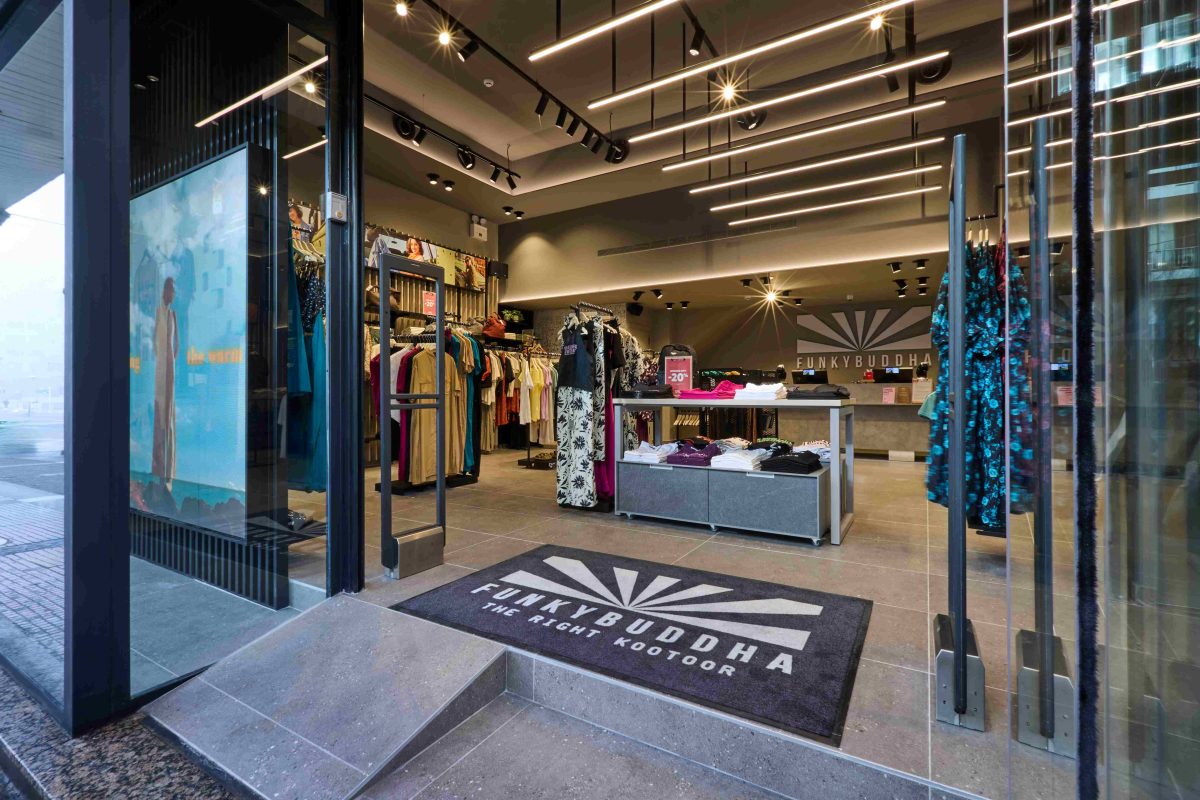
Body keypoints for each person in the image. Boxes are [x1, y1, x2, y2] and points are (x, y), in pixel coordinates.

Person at [151, 277, 179, 486]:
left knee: (168, 417)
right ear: (165, 291)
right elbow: (154, 340)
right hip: (161, 370)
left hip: (169, 369)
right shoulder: (158, 313)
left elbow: (177, 344)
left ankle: (168, 471)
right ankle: (159, 468)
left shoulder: (172, 314)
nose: (173, 294)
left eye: (174, 291)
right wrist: (162, 359)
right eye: (171, 290)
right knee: (160, 414)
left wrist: (171, 359)